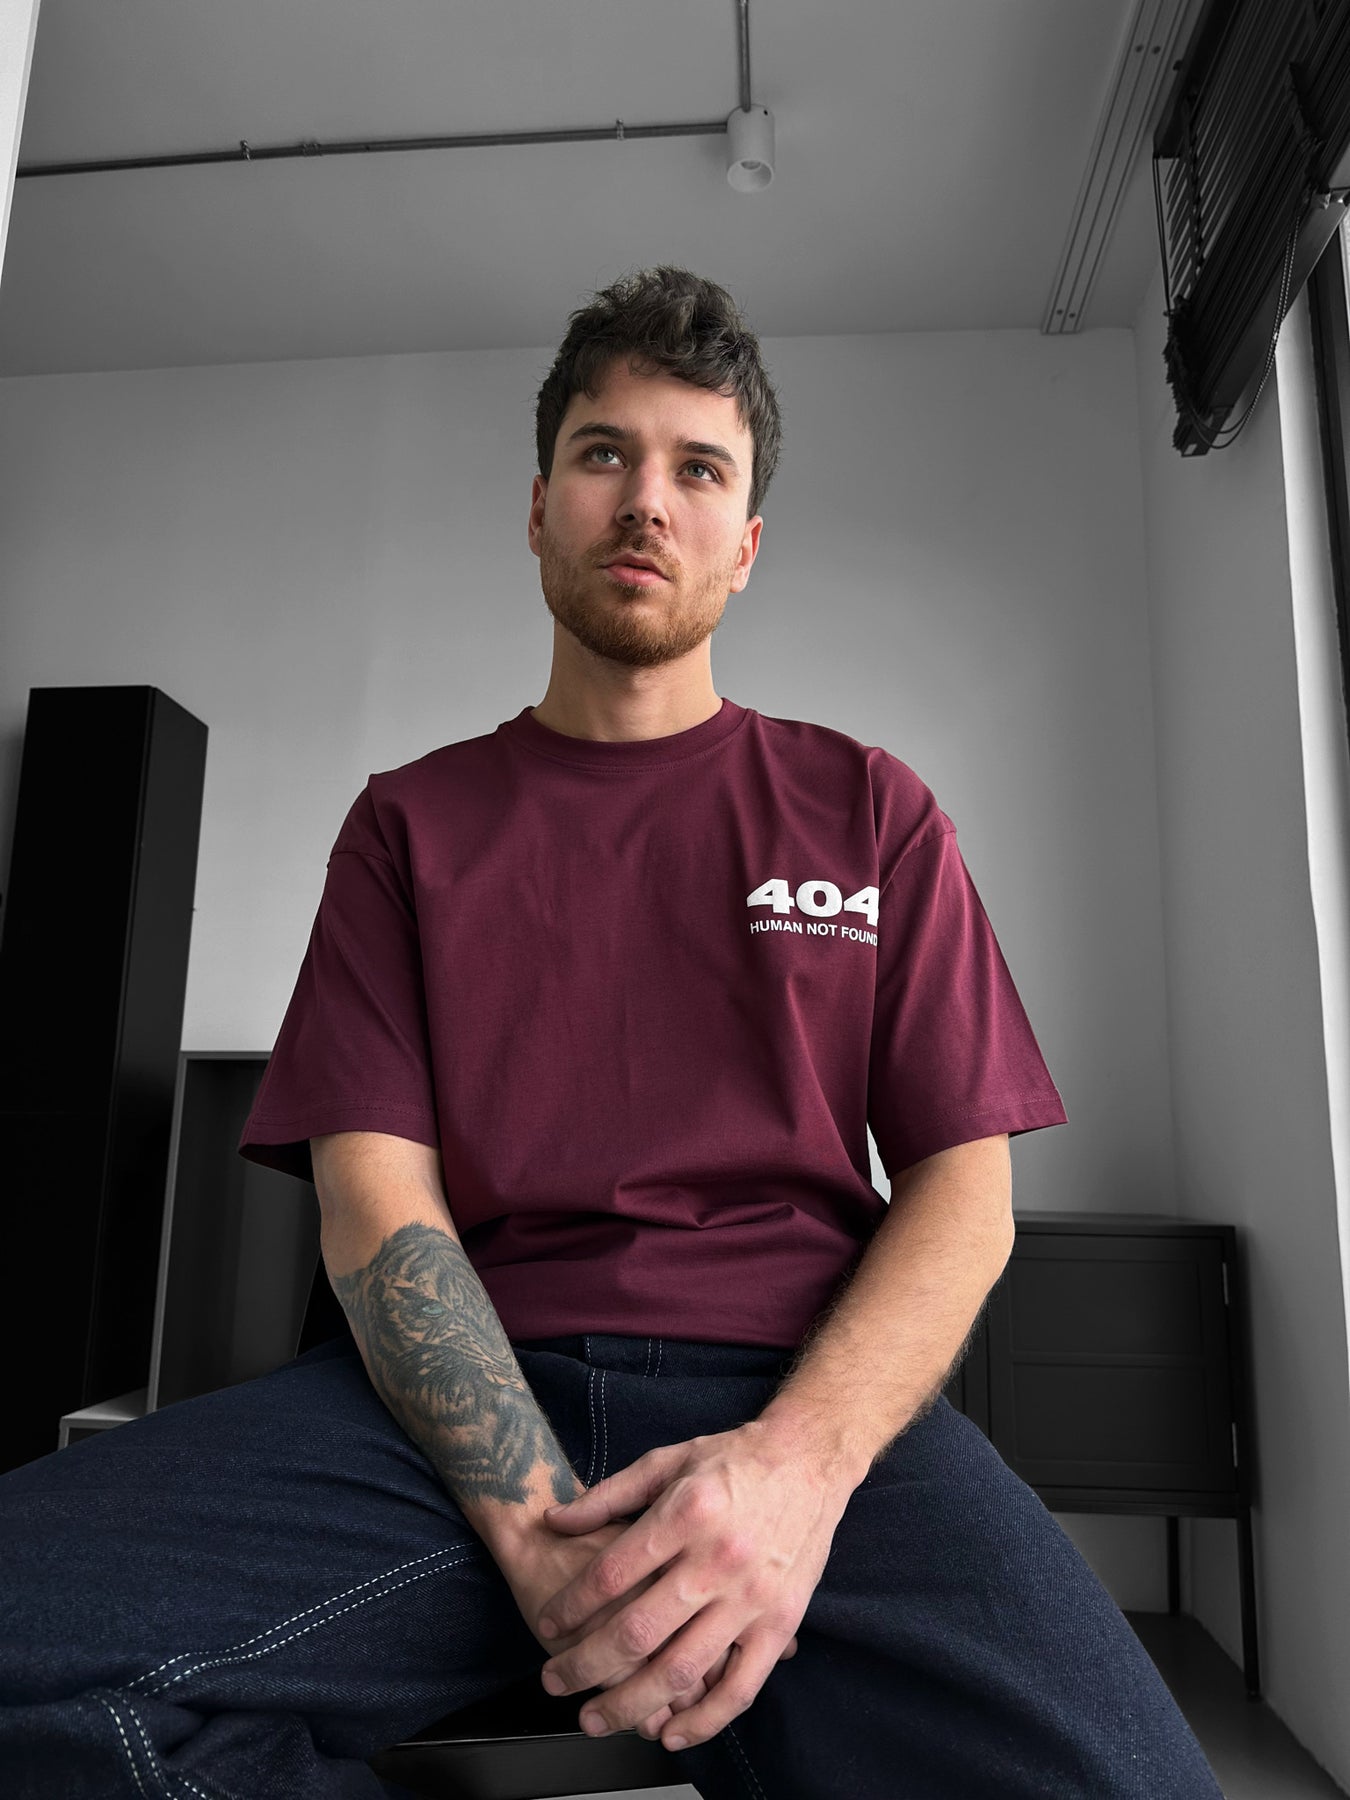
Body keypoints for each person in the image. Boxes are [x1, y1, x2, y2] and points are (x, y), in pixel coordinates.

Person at [0, 266, 1224, 1800]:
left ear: (745, 544)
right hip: (454, 1416)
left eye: (698, 469)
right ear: (537, 510)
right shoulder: (407, 827)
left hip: (793, 1399)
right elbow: (376, 1208)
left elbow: (962, 1196)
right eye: (603, 454)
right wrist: (534, 1533)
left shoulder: (868, 809)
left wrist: (791, 1480)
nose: (646, 499)